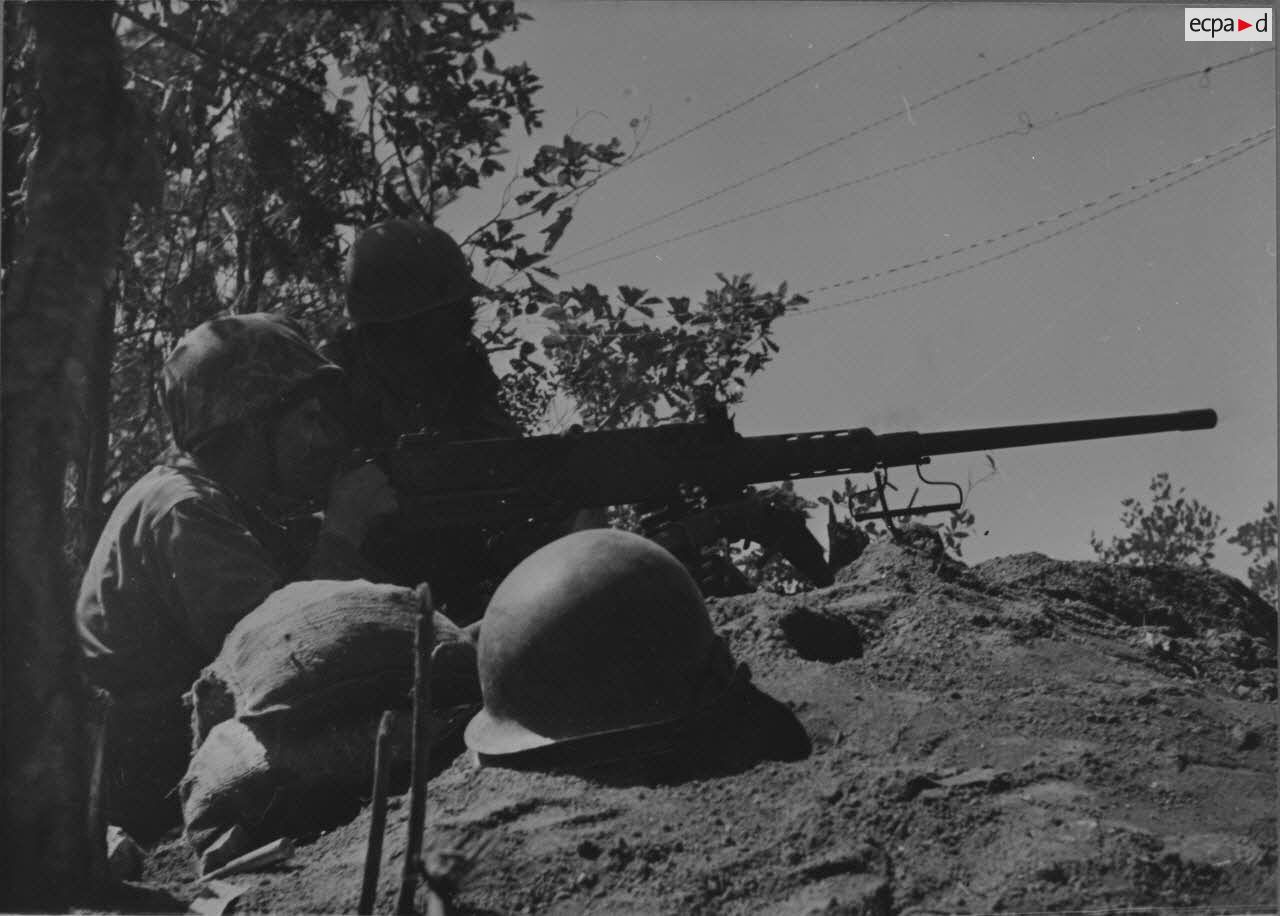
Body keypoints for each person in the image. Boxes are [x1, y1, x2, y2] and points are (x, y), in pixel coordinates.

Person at [77, 313, 399, 839]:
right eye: (309, 418)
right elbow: (288, 662)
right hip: (137, 781)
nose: (327, 440)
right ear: (252, 428)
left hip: (147, 759)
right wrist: (342, 534)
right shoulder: (182, 509)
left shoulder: (220, 502)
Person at [322, 220, 541, 620]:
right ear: (381, 336)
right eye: (425, 335)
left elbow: (512, 469)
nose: (446, 349)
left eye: (456, 324)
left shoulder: (463, 372)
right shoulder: (330, 397)